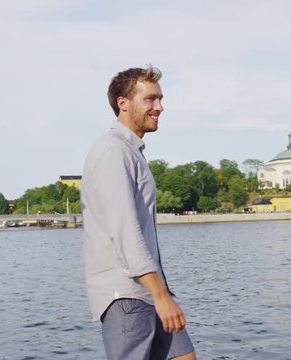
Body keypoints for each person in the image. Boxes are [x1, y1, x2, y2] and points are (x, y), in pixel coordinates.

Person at [80, 66, 196, 360]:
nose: (160, 107)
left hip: (149, 289)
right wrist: (160, 295)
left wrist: (161, 293)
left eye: (160, 99)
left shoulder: (130, 151)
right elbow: (124, 229)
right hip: (127, 295)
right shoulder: (112, 151)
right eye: (150, 99)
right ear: (123, 102)